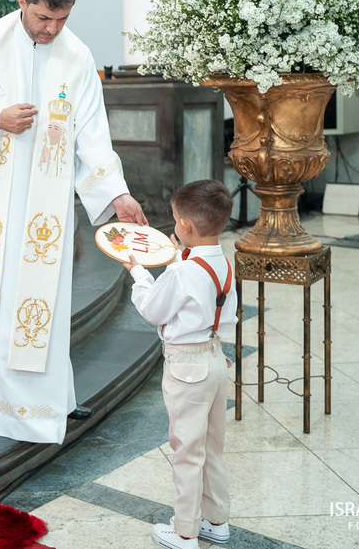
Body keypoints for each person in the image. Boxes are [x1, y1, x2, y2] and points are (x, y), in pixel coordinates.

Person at [0, 0, 147, 445]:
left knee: (40, 299)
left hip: (44, 207)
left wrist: (118, 193)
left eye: (61, 19)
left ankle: (43, 402)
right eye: (43, 17)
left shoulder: (76, 56)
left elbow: (92, 134)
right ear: (22, 1)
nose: (51, 30)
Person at [123, 180, 237, 549]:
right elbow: (197, 284)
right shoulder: (222, 262)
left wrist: (138, 273)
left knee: (187, 449)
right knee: (211, 445)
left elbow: (153, 307)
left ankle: (185, 530)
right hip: (216, 358)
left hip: (186, 367)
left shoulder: (182, 272)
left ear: (186, 226)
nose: (173, 225)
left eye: (174, 219)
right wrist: (175, 256)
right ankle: (216, 520)